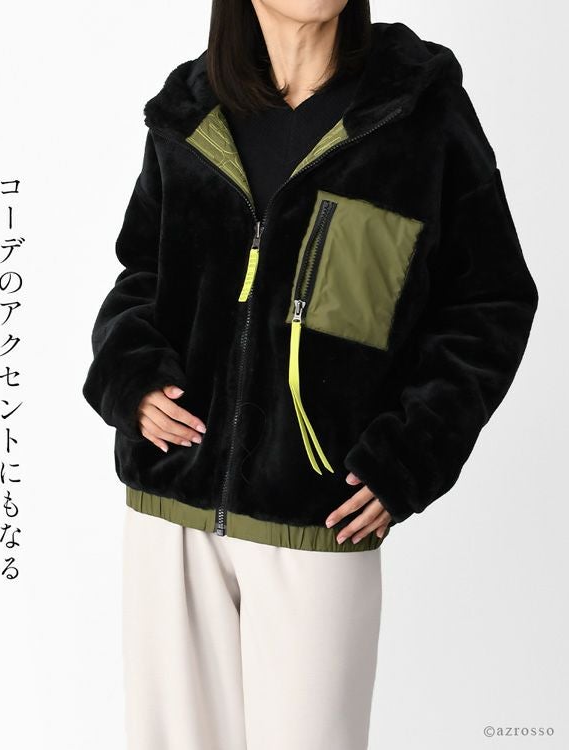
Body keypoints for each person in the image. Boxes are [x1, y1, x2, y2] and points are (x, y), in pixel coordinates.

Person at [81, 1, 539, 748]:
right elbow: (143, 273)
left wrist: (409, 456)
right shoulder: (191, 112)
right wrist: (130, 378)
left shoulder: (413, 108)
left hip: (316, 521)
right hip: (170, 507)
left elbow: (491, 301)